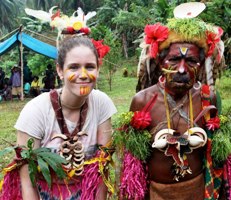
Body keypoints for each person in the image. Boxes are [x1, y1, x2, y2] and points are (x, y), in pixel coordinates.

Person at [116, 2, 229, 200]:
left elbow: (219, 157)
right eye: (174, 60)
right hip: (157, 193)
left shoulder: (207, 99)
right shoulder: (142, 101)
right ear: (160, 62)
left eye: (191, 61)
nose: (182, 69)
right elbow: (132, 162)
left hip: (197, 190)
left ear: (200, 65)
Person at [0, 36, 116, 199]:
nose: (83, 75)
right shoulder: (35, 111)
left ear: (98, 69)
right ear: (60, 71)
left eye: (90, 67)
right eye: (74, 67)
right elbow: (27, 180)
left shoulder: (101, 104)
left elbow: (102, 169)